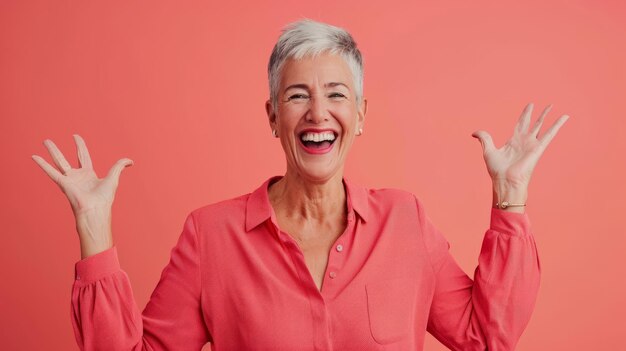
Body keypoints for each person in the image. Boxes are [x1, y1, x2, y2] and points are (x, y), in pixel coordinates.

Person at [32, 19, 568, 351]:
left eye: (337, 95)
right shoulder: (210, 236)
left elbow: (487, 337)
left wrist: (511, 197)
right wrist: (93, 230)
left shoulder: (406, 222)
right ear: (271, 116)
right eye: (296, 96)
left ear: (360, 116)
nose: (318, 113)